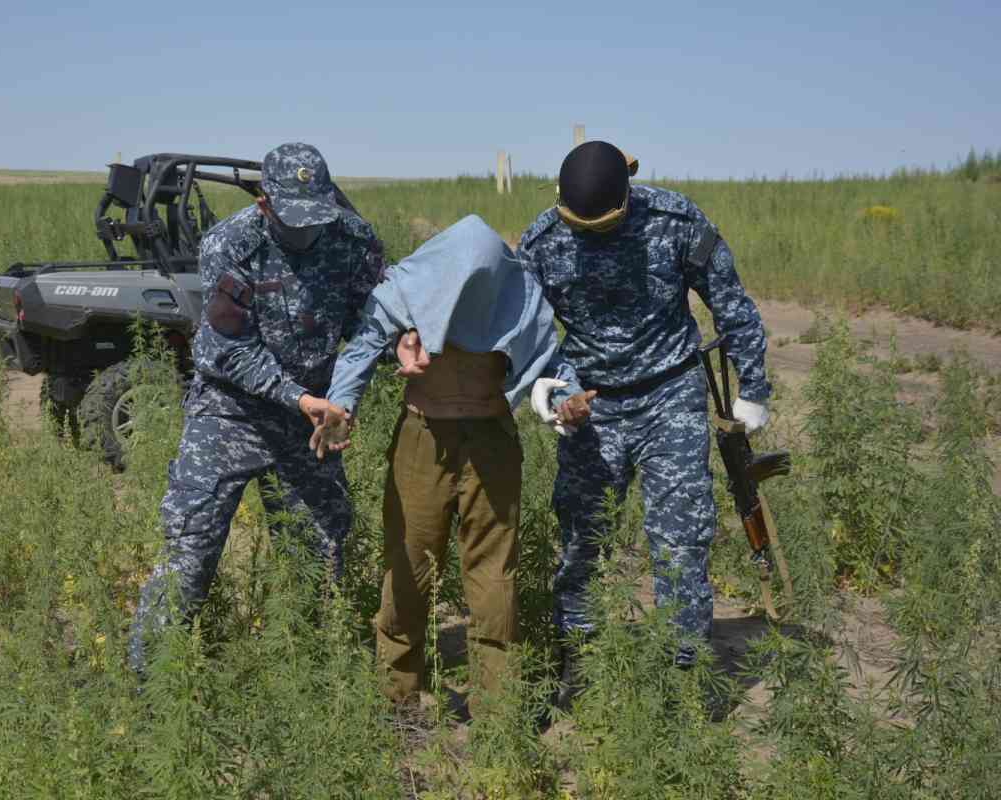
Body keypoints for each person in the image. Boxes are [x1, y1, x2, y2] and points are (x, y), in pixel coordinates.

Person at [519, 141, 772, 706]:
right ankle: (577, 661)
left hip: (669, 395)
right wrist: (551, 388)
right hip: (592, 401)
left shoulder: (677, 221)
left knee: (680, 540)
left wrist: (753, 387)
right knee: (583, 536)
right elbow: (525, 331)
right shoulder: (539, 241)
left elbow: (731, 304)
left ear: (626, 198)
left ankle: (687, 673)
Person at [311, 215, 589, 714]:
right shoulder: (408, 289)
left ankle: (496, 710)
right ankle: (400, 697)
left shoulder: (520, 296)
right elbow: (361, 350)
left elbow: (552, 368)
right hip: (423, 438)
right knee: (408, 565)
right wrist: (340, 407)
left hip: (491, 444)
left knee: (493, 576)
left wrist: (565, 401)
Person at [128, 142, 385, 673]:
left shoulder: (354, 240)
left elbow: (371, 323)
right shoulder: (232, 243)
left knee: (320, 549)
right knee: (190, 549)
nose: (308, 230)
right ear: (265, 203)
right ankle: (149, 685)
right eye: (295, 219)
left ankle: (311, 679)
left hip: (310, 419)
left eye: (318, 215)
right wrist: (300, 397)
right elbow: (227, 348)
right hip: (230, 413)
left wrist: (342, 396)